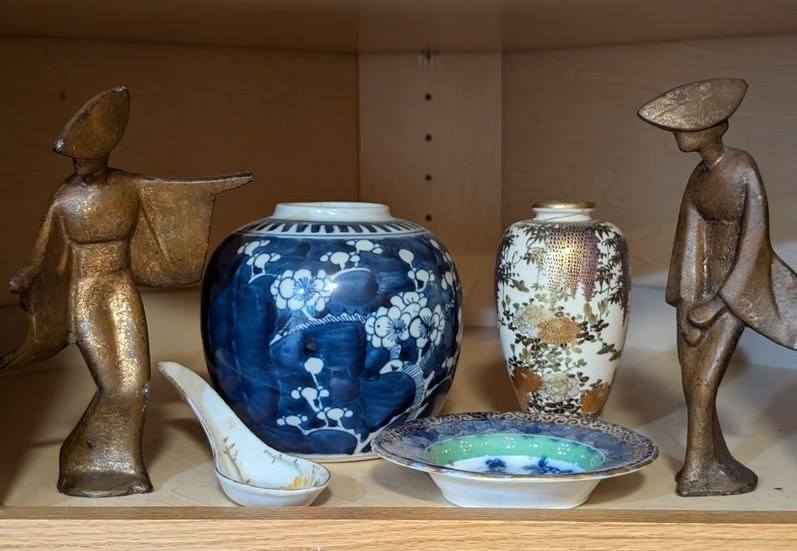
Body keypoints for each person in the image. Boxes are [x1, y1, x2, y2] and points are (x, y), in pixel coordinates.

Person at [1, 87, 250, 497]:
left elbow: (177, 193)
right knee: (111, 381)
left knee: (136, 380)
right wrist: (25, 278)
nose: (80, 166)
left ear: (104, 153)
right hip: (85, 292)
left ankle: (122, 466)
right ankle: (83, 460)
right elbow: (43, 251)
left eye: (86, 159)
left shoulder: (127, 187)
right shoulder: (65, 199)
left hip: (119, 286)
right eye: (75, 160)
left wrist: (219, 187)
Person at [639, 78, 797, 496]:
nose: (680, 135)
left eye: (688, 128)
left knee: (705, 381)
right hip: (699, 286)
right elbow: (689, 240)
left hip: (735, 289)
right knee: (691, 381)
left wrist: (717, 304)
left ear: (714, 128)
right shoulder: (698, 177)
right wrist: (685, 300)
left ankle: (696, 472)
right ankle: (710, 460)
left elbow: (754, 244)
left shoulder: (742, 168)